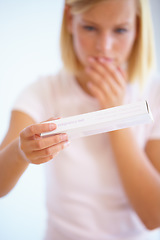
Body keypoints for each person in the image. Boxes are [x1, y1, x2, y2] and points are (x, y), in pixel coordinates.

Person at [0, 0, 160, 239]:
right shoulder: (43, 92)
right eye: (90, 28)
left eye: (120, 30)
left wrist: (114, 114)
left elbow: (154, 216)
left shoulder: (153, 94)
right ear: (70, 20)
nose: (104, 46)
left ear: (138, 29)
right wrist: (22, 152)